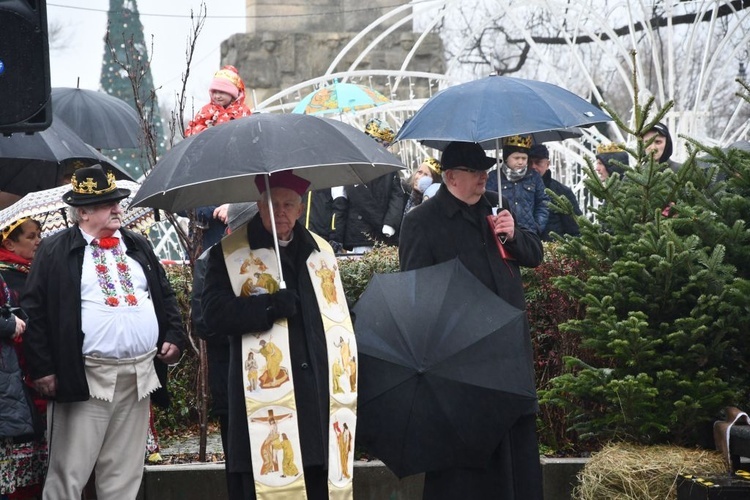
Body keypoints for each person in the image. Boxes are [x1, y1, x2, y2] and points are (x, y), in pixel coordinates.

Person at [21, 164, 185, 500]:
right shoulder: (54, 250)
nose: (117, 208)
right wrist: (43, 368)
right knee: (69, 472)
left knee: (124, 473)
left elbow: (163, 295)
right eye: (107, 204)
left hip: (139, 376)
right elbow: (33, 311)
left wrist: (173, 335)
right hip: (85, 377)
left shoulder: (137, 244)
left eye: (118, 201)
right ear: (83, 213)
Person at [399, 141, 544, 500]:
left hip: (508, 351)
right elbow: (415, 291)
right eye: (475, 171)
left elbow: (534, 255)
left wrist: (514, 234)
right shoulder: (421, 222)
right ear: (450, 177)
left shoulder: (498, 206)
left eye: (485, 170)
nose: (484, 177)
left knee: (515, 453)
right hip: (461, 360)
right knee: (467, 469)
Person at [201, 170, 357, 500]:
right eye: (273, 204)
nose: (281, 212)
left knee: (318, 481)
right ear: (259, 206)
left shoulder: (321, 251)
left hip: (316, 400)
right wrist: (269, 307)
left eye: (289, 204)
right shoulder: (229, 253)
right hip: (262, 396)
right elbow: (211, 316)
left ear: (301, 209)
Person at [0, 218, 44, 500]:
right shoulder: (8, 275)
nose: (38, 240)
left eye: (39, 234)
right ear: (8, 243)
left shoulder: (33, 272)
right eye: (31, 236)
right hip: (14, 375)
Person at [330, 118, 405, 253]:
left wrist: (390, 223)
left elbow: (397, 196)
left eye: (387, 144)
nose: (385, 148)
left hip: (384, 236)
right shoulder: (353, 165)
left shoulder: (389, 168)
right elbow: (342, 204)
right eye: (383, 143)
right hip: (360, 236)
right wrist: (336, 237)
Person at [487, 135, 549, 235]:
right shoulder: (495, 177)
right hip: (502, 231)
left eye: (524, 158)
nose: (520, 162)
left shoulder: (534, 177)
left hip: (528, 232)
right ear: (506, 158)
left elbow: (543, 203)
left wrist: (537, 226)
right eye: (516, 158)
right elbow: (487, 202)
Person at [527, 144, 582, 240]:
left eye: (538, 162)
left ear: (547, 164)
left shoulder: (561, 192)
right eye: (529, 162)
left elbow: (576, 229)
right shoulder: (516, 188)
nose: (533, 166)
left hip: (554, 250)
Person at [185, 65, 252, 136]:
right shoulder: (206, 110)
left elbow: (249, 130)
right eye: (214, 92)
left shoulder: (243, 111)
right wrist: (206, 131)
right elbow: (190, 131)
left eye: (221, 92)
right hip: (212, 145)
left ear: (232, 94)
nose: (217, 96)